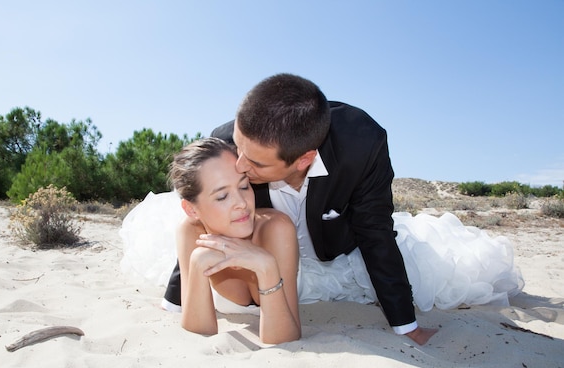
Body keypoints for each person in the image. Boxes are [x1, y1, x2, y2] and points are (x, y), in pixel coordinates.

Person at [150, 73, 523, 346]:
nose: (241, 165)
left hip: (336, 244)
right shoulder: (231, 140)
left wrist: (406, 325)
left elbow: (375, 230)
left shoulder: (363, 145)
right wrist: (174, 297)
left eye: (256, 166)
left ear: (304, 159)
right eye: (239, 148)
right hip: (264, 236)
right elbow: (203, 211)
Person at [155, 137, 301, 344]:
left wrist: (266, 266)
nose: (242, 204)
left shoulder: (276, 228)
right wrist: (197, 263)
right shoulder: (190, 232)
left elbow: (286, 337)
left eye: (244, 187)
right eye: (222, 196)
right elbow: (199, 331)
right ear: (191, 209)